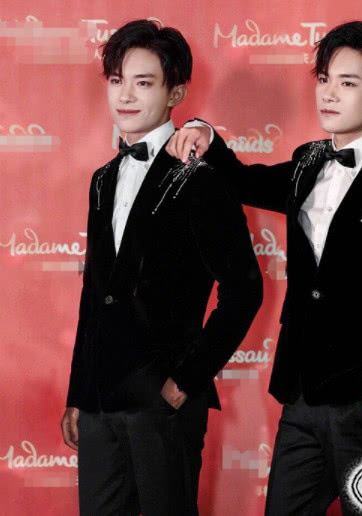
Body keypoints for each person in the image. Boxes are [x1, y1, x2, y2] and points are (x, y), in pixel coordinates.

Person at [169, 21, 362, 515]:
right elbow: (241, 181)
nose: (328, 93)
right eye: (325, 79)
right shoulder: (308, 161)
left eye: (348, 83)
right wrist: (203, 130)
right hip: (302, 401)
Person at [60, 19, 262, 516]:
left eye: (143, 82)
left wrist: (185, 382)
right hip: (100, 403)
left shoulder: (201, 178)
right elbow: (96, 293)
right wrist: (79, 394)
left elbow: (244, 290)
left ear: (176, 92)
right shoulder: (103, 179)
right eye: (116, 81)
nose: (125, 95)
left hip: (162, 400)